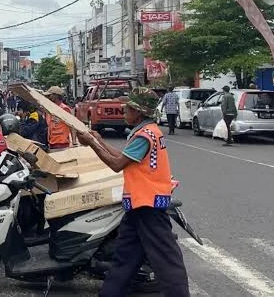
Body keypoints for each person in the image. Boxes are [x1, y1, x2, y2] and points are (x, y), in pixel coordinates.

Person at [77, 87, 190, 297]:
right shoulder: (144, 131)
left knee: (166, 261)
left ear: (138, 112)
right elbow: (124, 157)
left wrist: (92, 143)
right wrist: (99, 140)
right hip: (138, 205)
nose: (123, 111)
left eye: (126, 108)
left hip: (148, 205)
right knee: (125, 257)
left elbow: (117, 164)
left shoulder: (144, 136)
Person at [43, 86, 73, 150]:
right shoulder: (49, 110)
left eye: (49, 96)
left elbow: (72, 126)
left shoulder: (64, 109)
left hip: (62, 143)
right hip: (51, 143)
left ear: (55, 96)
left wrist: (74, 142)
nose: (48, 98)